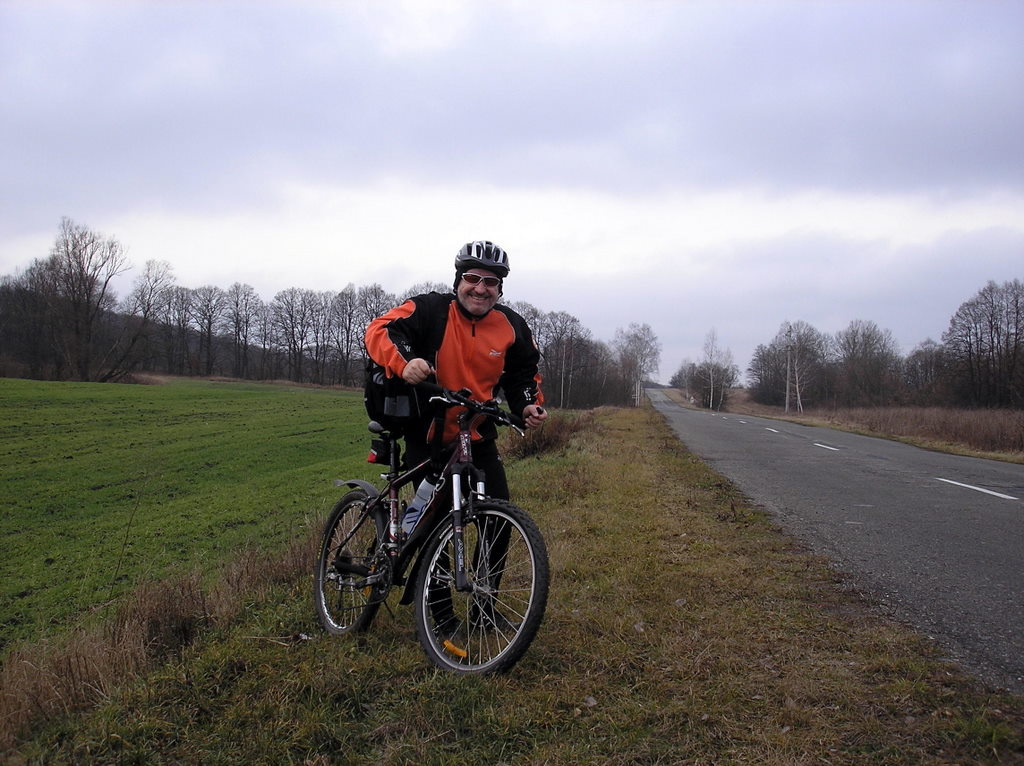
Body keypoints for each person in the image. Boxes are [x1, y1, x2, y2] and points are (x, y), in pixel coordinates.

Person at [364, 240, 547, 500]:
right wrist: (406, 363)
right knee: (432, 522)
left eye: (490, 282)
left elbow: (523, 373)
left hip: (477, 435)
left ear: (499, 289)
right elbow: (380, 330)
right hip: (426, 435)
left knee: (498, 516)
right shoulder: (430, 309)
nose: (480, 289)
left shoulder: (512, 325)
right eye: (472, 278)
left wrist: (527, 405)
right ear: (458, 280)